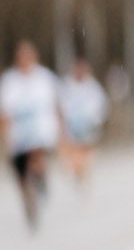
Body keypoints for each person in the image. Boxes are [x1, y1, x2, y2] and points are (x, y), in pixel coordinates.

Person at [1, 41, 62, 230]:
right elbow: (4, 113)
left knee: (37, 157)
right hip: (19, 137)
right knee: (21, 178)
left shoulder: (44, 78)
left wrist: (62, 131)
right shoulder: (9, 81)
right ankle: (29, 203)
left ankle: (40, 177)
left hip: (40, 133)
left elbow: (57, 103)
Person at [58, 56, 109, 188]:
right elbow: (61, 107)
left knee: (85, 154)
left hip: (88, 127)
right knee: (75, 154)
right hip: (72, 127)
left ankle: (83, 172)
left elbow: (101, 106)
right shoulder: (67, 86)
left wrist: (96, 122)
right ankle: (78, 172)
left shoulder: (93, 86)